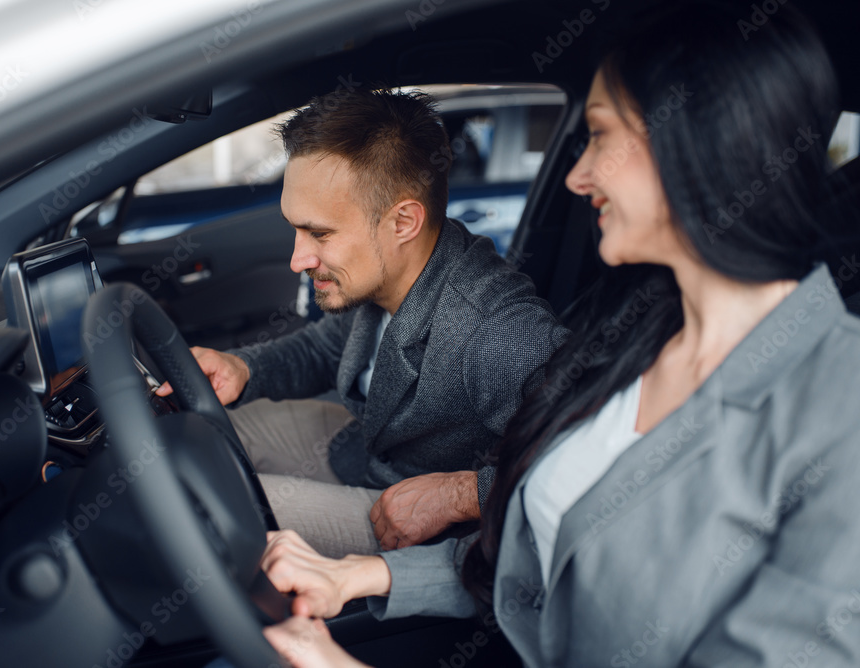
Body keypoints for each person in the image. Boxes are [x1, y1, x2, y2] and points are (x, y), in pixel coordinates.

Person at [258, 2, 860, 666]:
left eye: (599, 135)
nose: (577, 176)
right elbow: (539, 560)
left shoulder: (837, 411)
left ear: (694, 140)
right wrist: (367, 577)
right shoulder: (637, 339)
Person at [179, 88, 570, 558]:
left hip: (419, 526)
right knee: (200, 437)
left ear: (403, 221)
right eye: (296, 229)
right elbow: (326, 349)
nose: (298, 258)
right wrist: (244, 367)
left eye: (320, 233)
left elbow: (578, 458)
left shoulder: (498, 330)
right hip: (363, 448)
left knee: (203, 515)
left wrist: (460, 496)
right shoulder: (388, 272)